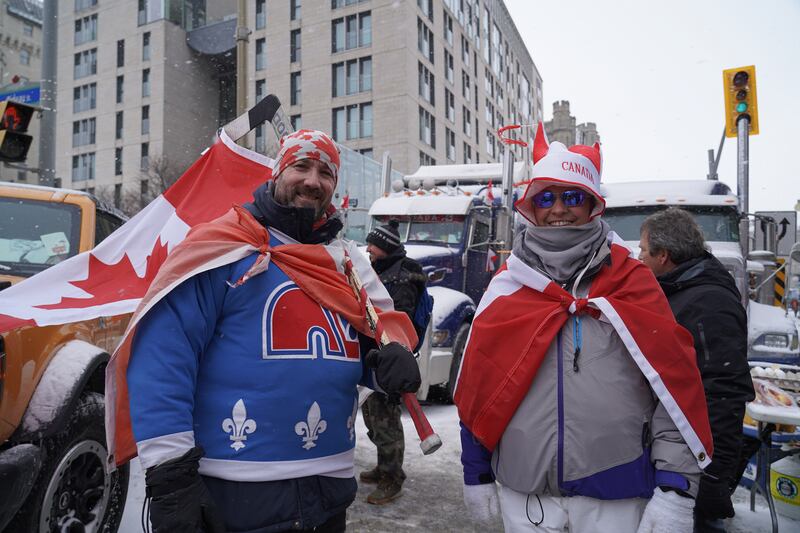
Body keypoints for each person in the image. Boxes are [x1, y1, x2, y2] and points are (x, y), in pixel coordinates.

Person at [122, 129, 421, 532]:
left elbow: (363, 347)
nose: (313, 181)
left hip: (328, 488)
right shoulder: (224, 246)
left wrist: (385, 366)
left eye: (326, 172)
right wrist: (171, 478)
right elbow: (163, 361)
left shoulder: (346, 263)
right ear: (277, 172)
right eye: (301, 166)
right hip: (236, 491)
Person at [454, 123, 713, 533]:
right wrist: (476, 470)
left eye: (572, 196)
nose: (559, 208)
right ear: (530, 206)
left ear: (593, 204)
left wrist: (676, 488)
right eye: (546, 197)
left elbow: (672, 388)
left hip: (618, 496)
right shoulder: (508, 285)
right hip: (527, 496)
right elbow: (477, 386)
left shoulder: (633, 281)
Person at [639, 207, 755, 533]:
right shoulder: (683, 288)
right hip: (680, 456)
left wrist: (713, 477)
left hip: (697, 467)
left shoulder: (707, 302)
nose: (638, 257)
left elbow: (722, 390)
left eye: (644, 251)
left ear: (663, 255)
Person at [360, 220, 429, 505]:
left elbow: (398, 319)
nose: (368, 249)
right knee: (372, 415)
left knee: (385, 418)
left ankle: (392, 477)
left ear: (385, 247)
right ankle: (382, 466)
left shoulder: (403, 276)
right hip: (377, 353)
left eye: (373, 245)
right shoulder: (381, 270)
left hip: (392, 358)